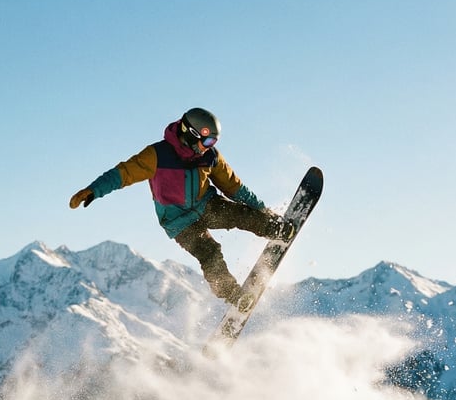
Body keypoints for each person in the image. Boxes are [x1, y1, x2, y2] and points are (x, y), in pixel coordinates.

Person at [69, 107, 294, 310]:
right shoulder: (156, 156)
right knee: (209, 253)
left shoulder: (210, 157)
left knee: (241, 215)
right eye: (206, 142)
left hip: (207, 205)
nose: (208, 148)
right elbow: (122, 174)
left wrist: (262, 209)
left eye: (213, 143)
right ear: (190, 134)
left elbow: (233, 186)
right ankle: (233, 295)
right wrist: (93, 190)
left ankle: (274, 229)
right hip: (179, 222)